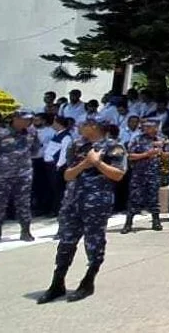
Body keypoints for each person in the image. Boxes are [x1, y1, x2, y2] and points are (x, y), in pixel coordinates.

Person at [36, 118, 127, 304]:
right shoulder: (77, 145)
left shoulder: (114, 147)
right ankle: (57, 283)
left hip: (96, 204)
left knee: (94, 243)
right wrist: (85, 164)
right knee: (66, 243)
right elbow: (67, 175)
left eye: (83, 125)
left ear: (94, 127)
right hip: (72, 202)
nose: (79, 127)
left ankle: (88, 282)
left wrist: (97, 163)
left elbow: (118, 175)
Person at [0, 111, 40, 244]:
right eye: (25, 119)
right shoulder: (0, 133)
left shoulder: (32, 133)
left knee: (24, 203)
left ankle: (25, 231)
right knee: (0, 204)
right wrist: (3, 163)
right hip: (3, 175)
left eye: (29, 120)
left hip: (24, 174)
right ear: (15, 119)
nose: (28, 122)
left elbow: (35, 150)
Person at [121, 119, 166, 233]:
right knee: (134, 198)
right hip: (139, 174)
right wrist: (147, 154)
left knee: (154, 198)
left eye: (149, 127)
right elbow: (130, 156)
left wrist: (161, 153)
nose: (145, 129)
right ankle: (128, 223)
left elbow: (168, 155)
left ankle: (156, 221)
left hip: (154, 173)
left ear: (155, 127)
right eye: (145, 127)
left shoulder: (162, 139)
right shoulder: (137, 139)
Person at [42, 116, 74, 216]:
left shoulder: (66, 137)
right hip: (49, 165)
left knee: (57, 189)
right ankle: (49, 208)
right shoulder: (56, 135)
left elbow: (64, 153)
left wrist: (59, 165)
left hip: (56, 166)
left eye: (54, 122)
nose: (53, 124)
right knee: (50, 188)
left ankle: (57, 209)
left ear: (59, 124)